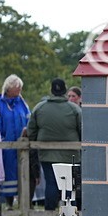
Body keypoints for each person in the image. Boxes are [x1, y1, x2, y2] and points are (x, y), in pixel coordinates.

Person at [26, 78, 83, 209]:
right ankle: (71, 213)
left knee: (51, 183)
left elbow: (31, 130)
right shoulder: (74, 109)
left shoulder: (39, 108)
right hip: (71, 155)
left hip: (47, 155)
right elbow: (82, 130)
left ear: (51, 90)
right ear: (64, 90)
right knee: (70, 185)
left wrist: (35, 143)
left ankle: (50, 213)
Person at [0, 75, 31, 208]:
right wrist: (2, 140)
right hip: (7, 146)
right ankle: (8, 203)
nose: (20, 89)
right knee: (8, 173)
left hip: (22, 144)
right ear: (9, 88)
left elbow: (29, 118)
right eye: (17, 86)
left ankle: (24, 203)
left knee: (23, 173)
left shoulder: (22, 103)